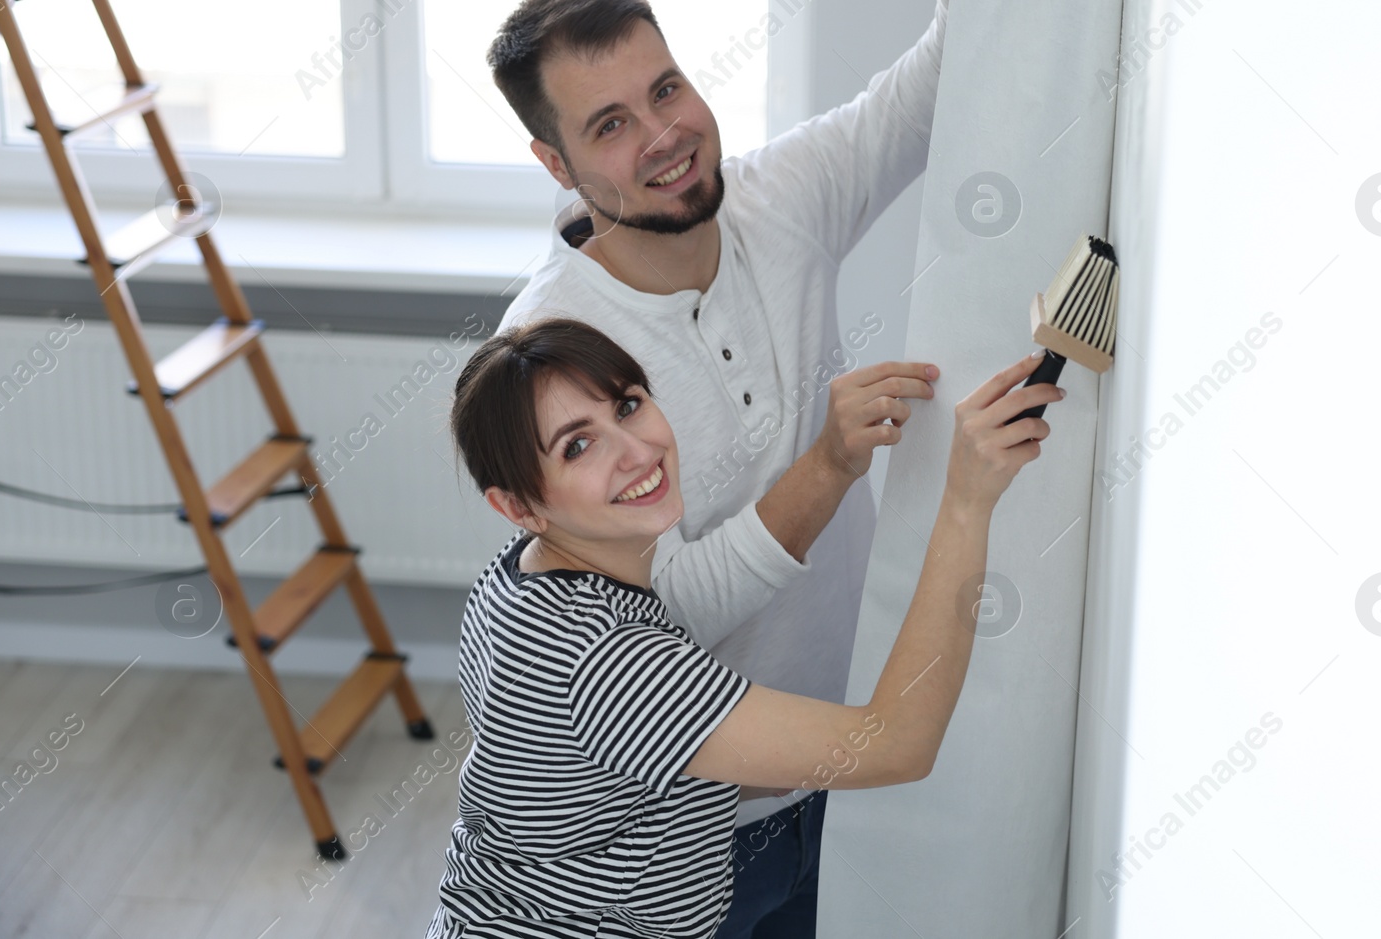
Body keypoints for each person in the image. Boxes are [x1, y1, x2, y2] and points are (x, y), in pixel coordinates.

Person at [485, 0, 982, 929]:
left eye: (666, 89)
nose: (663, 135)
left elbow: (937, 85)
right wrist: (831, 463)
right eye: (610, 123)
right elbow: (648, 616)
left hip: (828, 773)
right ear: (554, 163)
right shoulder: (550, 363)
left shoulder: (777, 196)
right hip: (677, 826)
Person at [424, 318, 1064, 938]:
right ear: (518, 505)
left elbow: (625, 773)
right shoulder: (608, 660)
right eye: (578, 446)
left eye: (627, 406)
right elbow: (898, 745)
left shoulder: (515, 579)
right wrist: (965, 503)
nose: (638, 451)